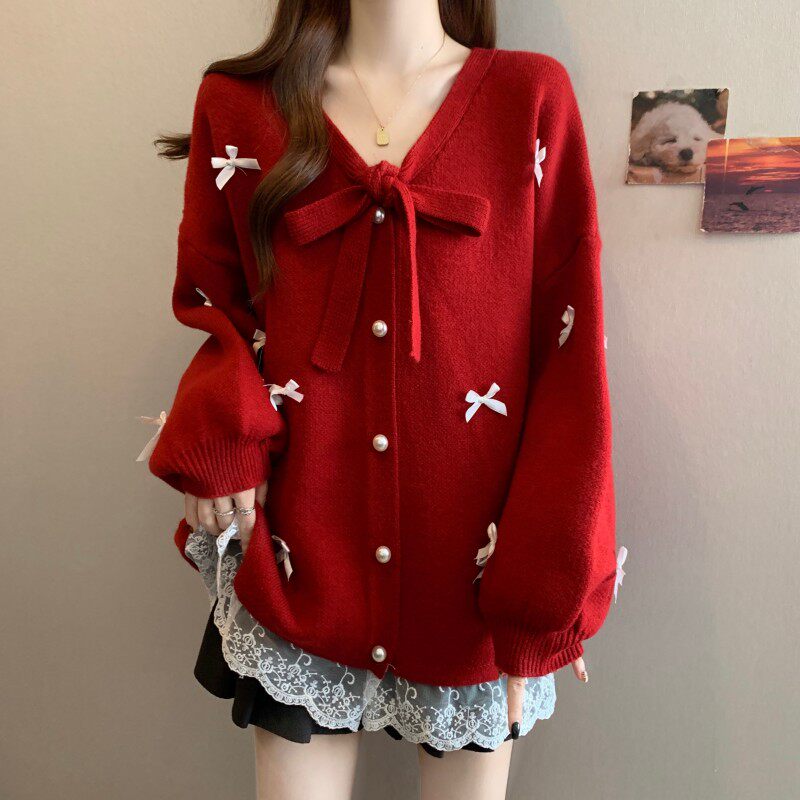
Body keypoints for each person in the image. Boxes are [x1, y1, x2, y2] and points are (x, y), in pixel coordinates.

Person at [148, 1, 617, 797]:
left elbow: (570, 354)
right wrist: (221, 438)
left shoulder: (529, 98)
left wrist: (544, 588)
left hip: (477, 573)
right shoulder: (239, 105)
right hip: (299, 555)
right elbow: (213, 302)